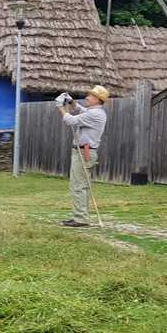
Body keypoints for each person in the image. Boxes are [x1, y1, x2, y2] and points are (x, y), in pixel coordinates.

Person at [56, 85, 109, 227]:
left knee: (78, 185)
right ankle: (82, 216)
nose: (87, 97)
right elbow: (81, 110)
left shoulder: (95, 114)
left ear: (98, 100)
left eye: (90, 96)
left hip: (83, 152)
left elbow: (70, 121)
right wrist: (72, 102)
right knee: (83, 185)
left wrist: (60, 106)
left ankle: (80, 219)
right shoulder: (95, 112)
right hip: (85, 152)